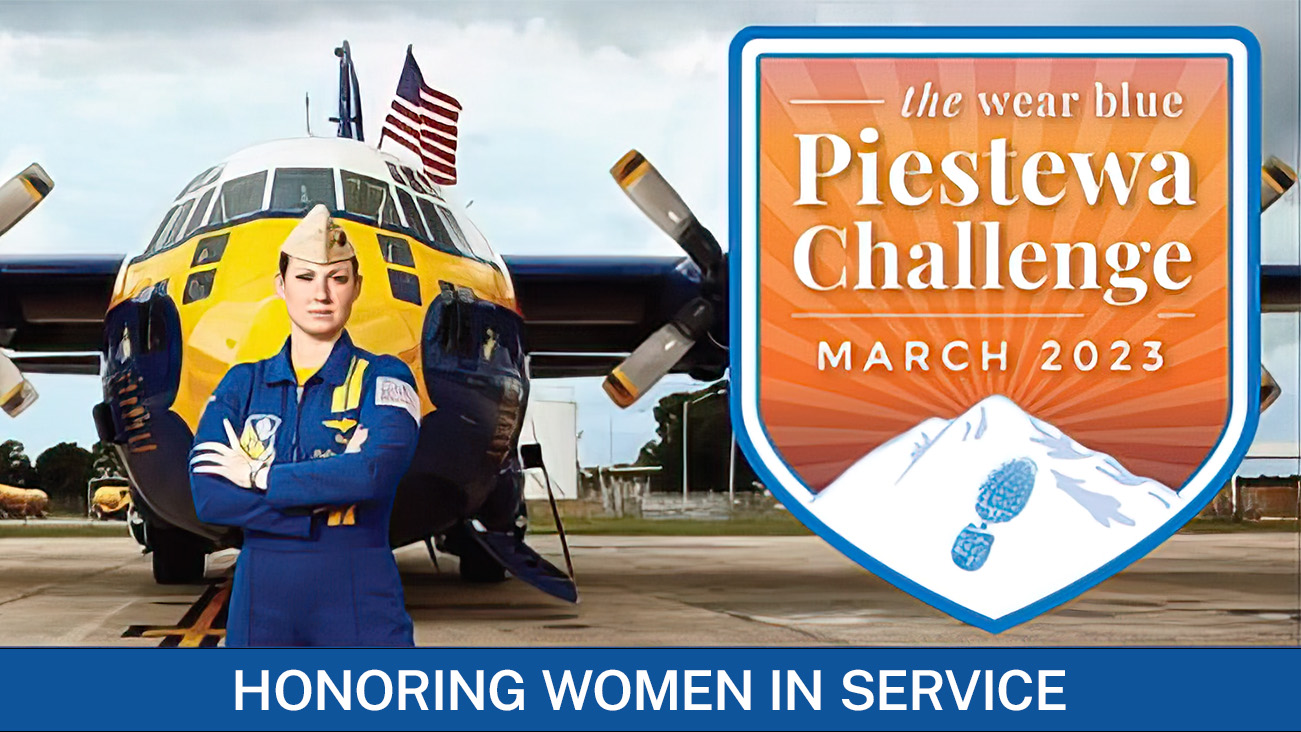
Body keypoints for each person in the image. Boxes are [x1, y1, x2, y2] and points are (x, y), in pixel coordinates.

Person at [188, 204, 421, 647]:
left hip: (359, 599)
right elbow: (210, 496)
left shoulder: (386, 378)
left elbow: (372, 474)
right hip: (261, 605)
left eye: (337, 278)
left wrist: (258, 476)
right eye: (305, 277)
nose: (322, 295)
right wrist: (316, 506)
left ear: (356, 288)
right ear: (281, 286)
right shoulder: (242, 383)